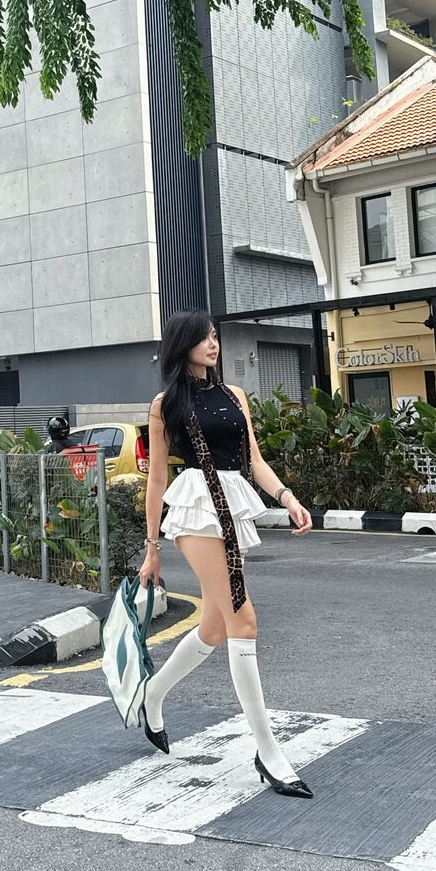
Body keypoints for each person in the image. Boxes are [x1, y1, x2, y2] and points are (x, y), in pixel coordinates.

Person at [138, 309, 315, 798]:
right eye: (203, 338)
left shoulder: (235, 395)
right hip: (195, 511)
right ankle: (268, 752)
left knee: (215, 628)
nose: (213, 344)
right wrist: (152, 548)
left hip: (232, 505)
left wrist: (287, 498)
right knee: (244, 619)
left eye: (215, 336)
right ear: (183, 345)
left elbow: (253, 460)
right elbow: (157, 479)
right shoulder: (165, 404)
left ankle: (152, 695)